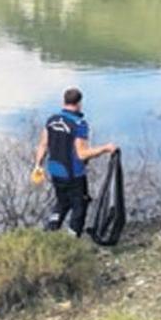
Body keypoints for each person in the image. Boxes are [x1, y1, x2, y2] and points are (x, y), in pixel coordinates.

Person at [35, 88, 116, 237]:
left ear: (64, 101)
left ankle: (49, 232)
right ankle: (71, 240)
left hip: (55, 171)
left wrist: (38, 166)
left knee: (62, 202)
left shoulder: (51, 120)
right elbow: (81, 154)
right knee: (80, 206)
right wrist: (105, 148)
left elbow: (43, 145)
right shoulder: (79, 124)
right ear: (79, 104)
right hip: (74, 175)